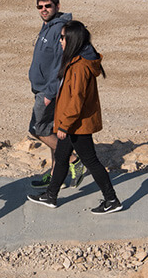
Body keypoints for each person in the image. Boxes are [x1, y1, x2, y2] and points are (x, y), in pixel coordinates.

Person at [27, 21, 122, 214]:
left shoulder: (79, 66)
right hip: (73, 123)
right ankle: (51, 196)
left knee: (91, 161)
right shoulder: (75, 59)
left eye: (62, 37)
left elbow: (75, 100)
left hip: (77, 125)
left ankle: (112, 199)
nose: (59, 40)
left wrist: (64, 126)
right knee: (62, 157)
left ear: (72, 40)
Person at [27, 0, 85, 189]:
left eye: (48, 6)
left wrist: (50, 94)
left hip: (49, 91)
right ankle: (55, 176)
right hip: (41, 89)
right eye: (40, 7)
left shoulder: (60, 29)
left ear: (57, 6)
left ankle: (74, 160)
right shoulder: (48, 26)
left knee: (38, 129)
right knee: (50, 129)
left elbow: (61, 65)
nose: (43, 10)